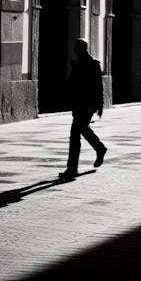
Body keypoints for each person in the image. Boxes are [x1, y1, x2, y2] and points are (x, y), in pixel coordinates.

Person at [58, 39, 107, 181]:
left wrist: (100, 105)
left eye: (76, 47)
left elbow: (99, 86)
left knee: (75, 134)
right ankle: (99, 148)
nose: (73, 49)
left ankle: (72, 169)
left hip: (88, 104)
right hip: (78, 104)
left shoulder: (93, 64)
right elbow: (71, 84)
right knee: (82, 130)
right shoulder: (75, 63)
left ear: (82, 48)